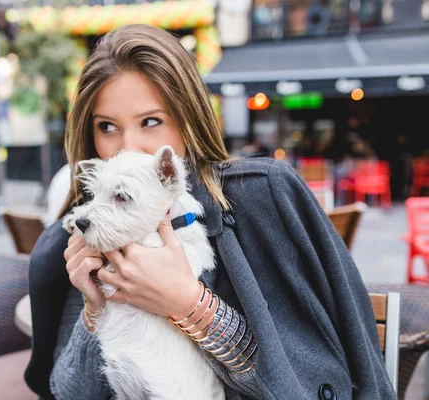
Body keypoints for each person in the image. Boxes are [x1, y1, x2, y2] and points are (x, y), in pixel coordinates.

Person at [24, 24, 395, 400]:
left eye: (151, 121)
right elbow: (66, 392)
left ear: (188, 119)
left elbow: (312, 383)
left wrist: (190, 304)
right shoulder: (90, 230)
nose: (129, 147)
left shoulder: (262, 197)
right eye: (107, 127)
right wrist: (95, 308)